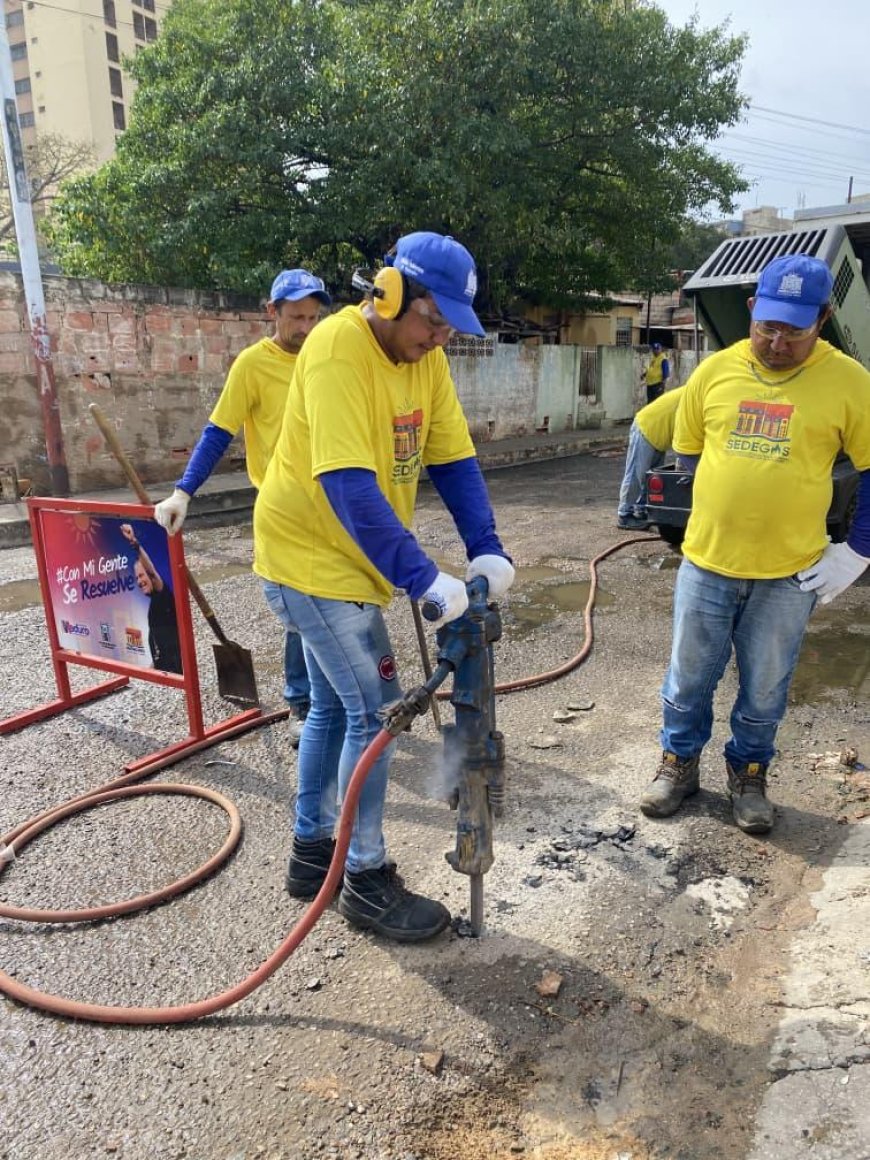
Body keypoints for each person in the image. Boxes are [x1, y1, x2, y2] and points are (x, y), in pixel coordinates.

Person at [254, 231, 515, 943]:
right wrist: (423, 577)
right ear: (390, 294)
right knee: (376, 713)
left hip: (353, 563)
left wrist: (485, 548)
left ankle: (313, 856)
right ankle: (364, 879)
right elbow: (346, 484)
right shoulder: (338, 348)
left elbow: (454, 459)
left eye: (448, 329)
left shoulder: (422, 359)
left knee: (335, 715)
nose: (438, 339)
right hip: (311, 562)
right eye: (433, 322)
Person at [640, 253, 870, 835]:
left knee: (766, 685)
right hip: (707, 565)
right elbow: (689, 451)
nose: (777, 340)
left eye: (794, 329)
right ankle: (678, 764)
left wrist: (857, 550)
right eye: (768, 325)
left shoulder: (849, 382)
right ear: (751, 310)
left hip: (790, 576)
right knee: (686, 679)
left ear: (823, 317)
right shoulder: (715, 372)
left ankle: (748, 775)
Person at [153, 269, 332, 744]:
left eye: (314, 317)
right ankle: (301, 704)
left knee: (343, 605)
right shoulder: (253, 365)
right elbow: (219, 431)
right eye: (297, 317)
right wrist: (183, 491)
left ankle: (341, 699)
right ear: (272, 312)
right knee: (300, 610)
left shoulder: (328, 356)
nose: (307, 327)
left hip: (337, 502)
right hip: (284, 509)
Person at [617, 385, 685, 530]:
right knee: (636, 474)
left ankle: (641, 510)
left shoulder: (693, 394)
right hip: (646, 428)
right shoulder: (692, 398)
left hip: (660, 436)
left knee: (649, 477)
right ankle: (624, 515)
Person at [120, 522, 183, 674]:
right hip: (165, 670)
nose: (139, 581)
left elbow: (152, 573)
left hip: (177, 670)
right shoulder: (153, 605)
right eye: (137, 577)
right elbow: (159, 649)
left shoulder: (163, 596)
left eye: (141, 575)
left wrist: (134, 543)